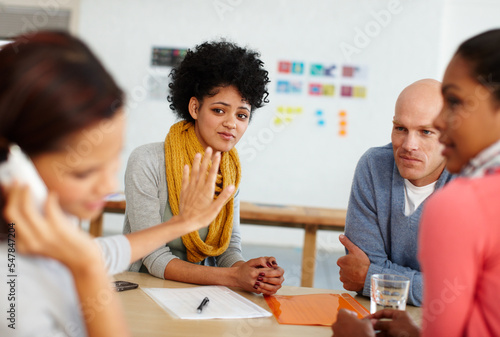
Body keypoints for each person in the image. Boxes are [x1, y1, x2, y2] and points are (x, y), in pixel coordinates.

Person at [0, 31, 235, 337]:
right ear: (14, 170)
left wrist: (181, 223)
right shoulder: (14, 290)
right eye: (83, 173)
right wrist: (88, 272)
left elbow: (98, 252)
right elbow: (88, 259)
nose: (107, 185)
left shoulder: (39, 231)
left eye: (112, 162)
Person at [332, 28, 500, 337]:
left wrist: (371, 282)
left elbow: (447, 297)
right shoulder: (375, 165)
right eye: (400, 128)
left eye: (455, 102)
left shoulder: (461, 201)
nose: (443, 122)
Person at [123, 40, 285, 295]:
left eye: (242, 115)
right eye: (220, 110)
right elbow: (152, 256)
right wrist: (233, 276)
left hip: (205, 295)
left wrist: (251, 272)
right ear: (195, 108)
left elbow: (228, 248)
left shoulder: (230, 170)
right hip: (144, 291)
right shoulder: (147, 161)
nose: (232, 124)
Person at [336, 79, 454, 306]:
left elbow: (461, 291)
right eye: (400, 128)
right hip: (380, 318)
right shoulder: (373, 166)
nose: (409, 145)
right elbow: (358, 265)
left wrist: (370, 277)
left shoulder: (473, 182)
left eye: (426, 132)